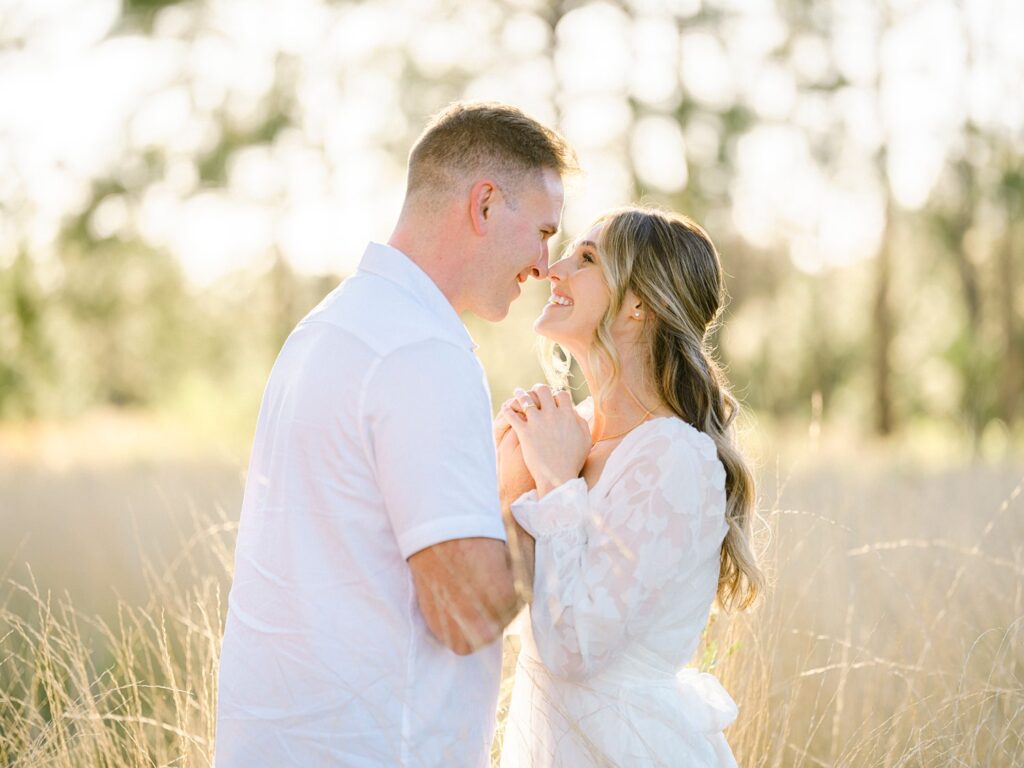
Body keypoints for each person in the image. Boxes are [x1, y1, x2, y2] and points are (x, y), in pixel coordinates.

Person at [214, 102, 576, 767]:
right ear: (486, 205)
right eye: (544, 230)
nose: (545, 266)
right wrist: (540, 488)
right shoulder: (423, 350)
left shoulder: (327, 327)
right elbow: (466, 615)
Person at [494, 206, 764, 767]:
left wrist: (555, 483)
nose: (553, 268)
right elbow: (517, 614)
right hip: (548, 739)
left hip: (627, 747)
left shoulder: (676, 459)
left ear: (639, 305)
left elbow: (574, 648)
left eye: (586, 258)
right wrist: (506, 486)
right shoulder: (566, 432)